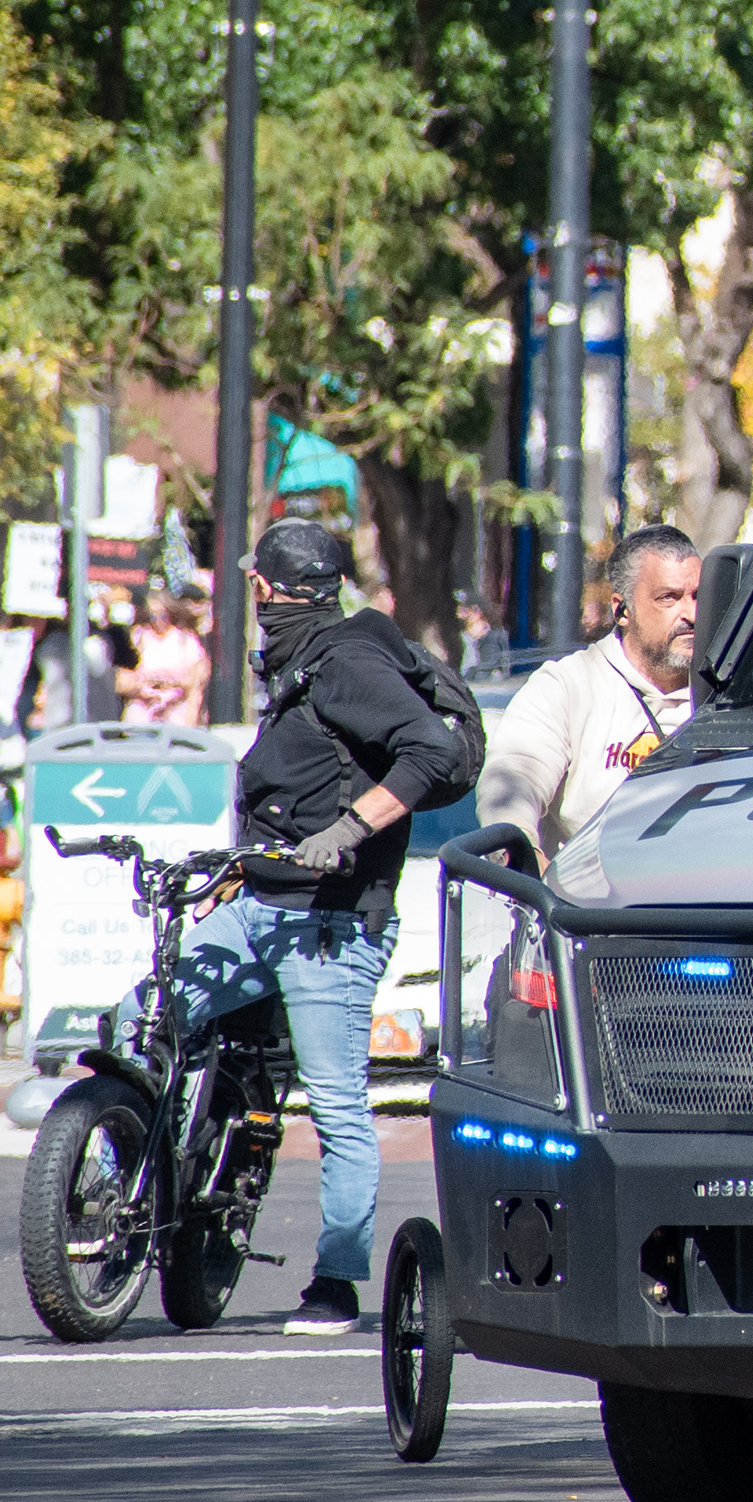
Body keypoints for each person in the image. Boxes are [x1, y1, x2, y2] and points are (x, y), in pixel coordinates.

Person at [129, 521, 465, 1332]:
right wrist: (236, 874)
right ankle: (160, 1178)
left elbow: (431, 749)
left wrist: (352, 829)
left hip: (332, 926)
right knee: (144, 1017)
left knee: (338, 1105)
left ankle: (337, 1283)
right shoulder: (295, 659)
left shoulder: (346, 661)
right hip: (261, 904)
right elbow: (294, 782)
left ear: (267, 591)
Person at [478, 524, 697, 864]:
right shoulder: (568, 686)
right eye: (668, 597)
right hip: (592, 911)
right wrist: (525, 863)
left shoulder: (735, 693)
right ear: (622, 610)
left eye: (698, 597)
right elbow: (513, 781)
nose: (691, 614)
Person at [123, 587, 210, 726]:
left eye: (161, 615)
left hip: (175, 707)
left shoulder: (185, 639)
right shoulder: (139, 636)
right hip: (145, 706)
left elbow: (195, 681)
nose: (156, 620)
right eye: (152, 615)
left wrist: (169, 681)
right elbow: (126, 676)